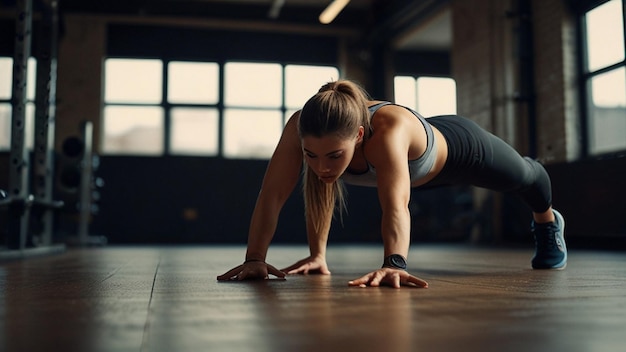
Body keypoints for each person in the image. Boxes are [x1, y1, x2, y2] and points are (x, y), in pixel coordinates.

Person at [217, 79, 566, 288]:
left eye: (334, 156)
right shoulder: (301, 128)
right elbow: (273, 194)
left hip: (460, 152)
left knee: (526, 177)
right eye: (312, 155)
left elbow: (396, 206)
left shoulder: (387, 131)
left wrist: (393, 264)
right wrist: (255, 258)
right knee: (319, 178)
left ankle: (548, 222)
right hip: (413, 175)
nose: (321, 166)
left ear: (357, 135)